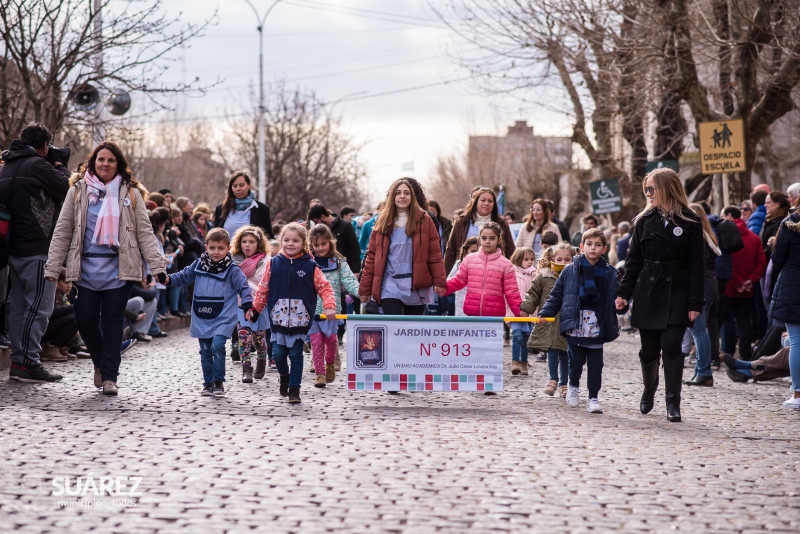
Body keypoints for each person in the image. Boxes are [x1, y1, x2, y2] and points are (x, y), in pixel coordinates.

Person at [45, 141, 167, 395]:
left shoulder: (131, 193)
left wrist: (157, 267)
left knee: (112, 322)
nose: (105, 164)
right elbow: (63, 231)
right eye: (101, 159)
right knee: (86, 320)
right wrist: (53, 268)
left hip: (118, 270)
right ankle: (100, 362)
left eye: (111, 160)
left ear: (118, 164)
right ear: (93, 162)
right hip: (85, 270)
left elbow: (145, 233)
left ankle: (110, 376)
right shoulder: (77, 191)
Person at [616, 168, 705, 423]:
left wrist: (695, 301)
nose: (648, 193)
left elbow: (697, 265)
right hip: (649, 290)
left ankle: (672, 402)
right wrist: (624, 293)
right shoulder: (645, 220)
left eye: (652, 188)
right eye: (646, 188)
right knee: (649, 349)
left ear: (668, 188)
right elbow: (633, 261)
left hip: (678, 290)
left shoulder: (689, 220)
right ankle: (649, 388)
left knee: (672, 347)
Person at [1, 122, 70, 383]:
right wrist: (61, 165)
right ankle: (28, 362)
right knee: (38, 308)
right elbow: (70, 188)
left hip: (13, 249)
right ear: (44, 146)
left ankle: (20, 361)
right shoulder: (37, 165)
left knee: (18, 307)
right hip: (37, 249)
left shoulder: (8, 165)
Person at [248, 223, 337, 404]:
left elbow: (325, 287)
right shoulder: (274, 263)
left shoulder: (310, 265)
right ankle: (284, 376)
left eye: (295, 240)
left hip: (300, 320)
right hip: (278, 319)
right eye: (286, 240)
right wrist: (256, 309)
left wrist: (329, 305)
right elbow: (263, 289)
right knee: (279, 354)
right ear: (281, 241)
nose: (290, 243)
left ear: (303, 243)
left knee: (296, 354)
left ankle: (295, 389)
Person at [538, 229, 619, 414]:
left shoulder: (609, 273)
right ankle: (572, 386)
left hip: (596, 327)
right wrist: (546, 312)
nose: (593, 248)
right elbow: (557, 295)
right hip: (576, 325)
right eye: (589, 244)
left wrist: (620, 305)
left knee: (596, 365)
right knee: (575, 363)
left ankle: (593, 398)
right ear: (581, 247)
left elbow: (616, 296)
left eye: (598, 245)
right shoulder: (569, 270)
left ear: (604, 249)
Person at [165, 228, 252, 397]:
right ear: (206, 247)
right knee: (205, 350)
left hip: (223, 315)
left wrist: (248, 305)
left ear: (228, 249)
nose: (216, 252)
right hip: (202, 314)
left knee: (218, 345)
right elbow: (183, 277)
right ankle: (208, 383)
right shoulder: (198, 265)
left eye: (220, 248)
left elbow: (243, 286)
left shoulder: (232, 269)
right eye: (212, 248)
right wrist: (166, 278)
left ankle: (218, 381)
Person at [445, 222, 522, 394]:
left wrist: (519, 312)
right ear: (479, 239)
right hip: (472, 313)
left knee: (491, 350)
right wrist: (443, 288)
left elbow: (512, 292)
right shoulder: (469, 260)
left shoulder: (505, 265)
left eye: (492, 238)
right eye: (484, 238)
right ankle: (473, 379)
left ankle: (489, 383)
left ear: (498, 240)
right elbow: (458, 280)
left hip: (493, 315)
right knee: (473, 348)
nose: (488, 242)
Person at [360, 179, 447, 316]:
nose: (402, 196)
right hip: (389, 285)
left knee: (411, 330)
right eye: (398, 193)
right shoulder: (382, 221)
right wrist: (365, 289)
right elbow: (371, 257)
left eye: (406, 193)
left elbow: (435, 255)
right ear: (392, 197)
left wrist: (439, 282)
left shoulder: (424, 220)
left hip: (417, 285)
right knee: (394, 325)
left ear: (412, 197)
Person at [307, 224, 360, 387]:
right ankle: (320, 373)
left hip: (332, 311)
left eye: (324, 243)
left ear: (330, 242)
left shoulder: (338, 261)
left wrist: (363, 293)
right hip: (312, 311)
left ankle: (330, 363)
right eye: (316, 245)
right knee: (316, 342)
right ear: (311, 245)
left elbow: (349, 280)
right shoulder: (308, 261)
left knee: (331, 342)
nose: (320, 248)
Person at [521, 242, 573, 397]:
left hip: (567, 321)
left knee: (565, 353)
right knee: (552, 350)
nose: (563, 263)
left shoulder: (575, 276)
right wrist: (527, 308)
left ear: (573, 260)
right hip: (549, 321)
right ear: (552, 259)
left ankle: (564, 383)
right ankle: (553, 380)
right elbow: (533, 293)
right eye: (559, 259)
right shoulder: (544, 276)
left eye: (567, 259)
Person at [719, 206, 766, 361]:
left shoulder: (724, 235)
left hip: (728, 286)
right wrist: (750, 280)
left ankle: (724, 353)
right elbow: (761, 262)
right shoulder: (754, 237)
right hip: (748, 288)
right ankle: (745, 356)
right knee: (744, 322)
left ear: (729, 216)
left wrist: (737, 281)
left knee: (722, 321)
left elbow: (725, 263)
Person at [683, 203, 721, 387]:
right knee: (700, 329)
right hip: (710, 286)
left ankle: (704, 371)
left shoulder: (699, 237)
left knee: (697, 329)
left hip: (703, 288)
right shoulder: (708, 236)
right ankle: (701, 370)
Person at [767, 195, 800, 408]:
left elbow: (778, 258)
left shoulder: (791, 223)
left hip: (793, 284)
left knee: (796, 341)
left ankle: (798, 393)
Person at [230, 225, 270, 383]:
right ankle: (246, 368)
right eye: (244, 241)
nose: (247, 245)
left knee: (259, 339)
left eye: (251, 241)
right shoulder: (233, 261)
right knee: (243, 336)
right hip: (241, 304)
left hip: (259, 305)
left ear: (258, 243)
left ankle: (262, 358)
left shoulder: (266, 260)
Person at [443, 187, 515, 273]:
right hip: (465, 271)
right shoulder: (462, 221)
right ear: (476, 202)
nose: (486, 203)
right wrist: (444, 275)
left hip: (494, 272)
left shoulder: (501, 223)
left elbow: (510, 250)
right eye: (483, 200)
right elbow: (451, 249)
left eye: (490, 201)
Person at [214, 170, 275, 240]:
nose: (238, 189)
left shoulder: (261, 209)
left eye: (241, 185)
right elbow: (213, 237)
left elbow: (269, 238)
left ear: (249, 185)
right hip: (227, 250)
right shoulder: (221, 209)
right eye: (235, 186)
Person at [307, 203, 361, 274]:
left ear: (322, 216)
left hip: (346, 270)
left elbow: (355, 249)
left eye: (316, 221)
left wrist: (356, 270)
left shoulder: (346, 226)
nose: (316, 224)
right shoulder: (318, 231)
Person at [507, 247, 536, 376]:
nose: (530, 262)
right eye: (526, 259)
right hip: (514, 312)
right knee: (517, 335)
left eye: (532, 259)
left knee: (526, 338)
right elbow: (508, 292)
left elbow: (536, 293)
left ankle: (524, 362)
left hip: (528, 312)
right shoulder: (511, 272)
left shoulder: (535, 274)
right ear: (518, 260)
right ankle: (515, 362)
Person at [447, 237, 478, 316]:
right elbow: (450, 280)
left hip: (477, 307)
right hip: (461, 307)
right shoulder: (459, 264)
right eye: (473, 251)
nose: (476, 254)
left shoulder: (485, 266)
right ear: (465, 251)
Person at [761, 190, 790, 261]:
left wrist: (760, 256)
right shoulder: (770, 220)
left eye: (768, 203)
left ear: (777, 204)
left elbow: (774, 247)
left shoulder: (781, 222)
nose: (765, 205)